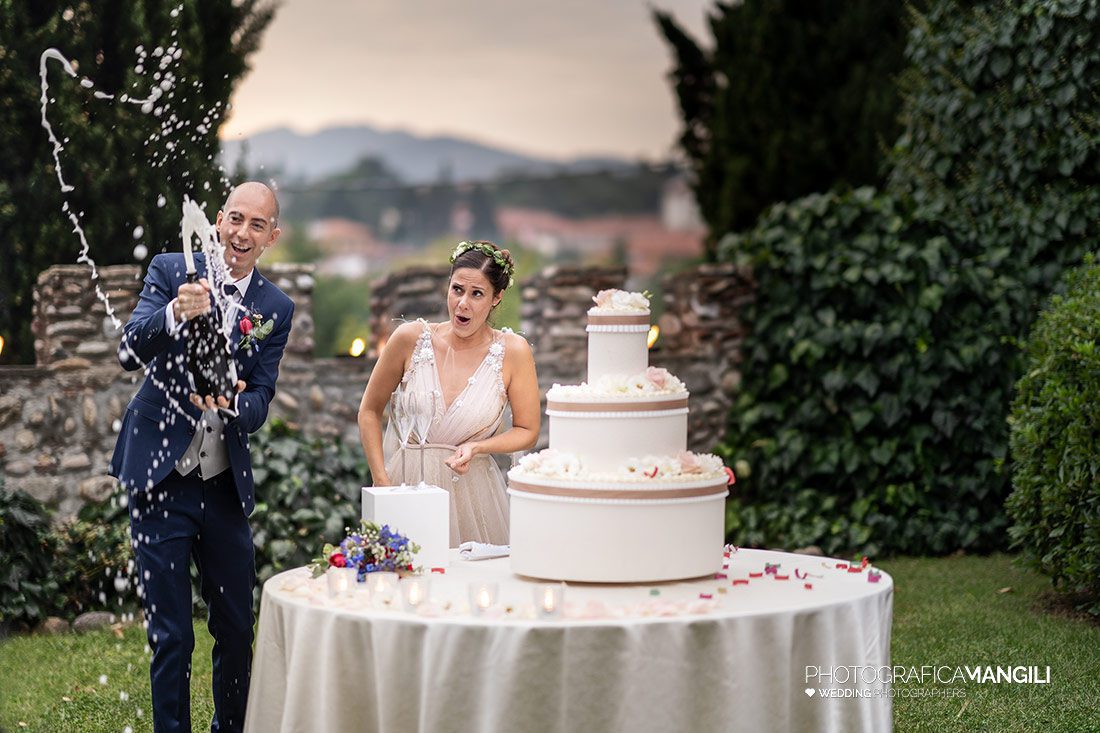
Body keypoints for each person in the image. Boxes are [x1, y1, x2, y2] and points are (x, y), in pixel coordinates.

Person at [109, 182, 293, 733]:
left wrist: (237, 404)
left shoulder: (274, 308)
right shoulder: (171, 269)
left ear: (272, 237)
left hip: (221, 485)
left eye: (256, 225)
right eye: (235, 219)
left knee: (237, 627)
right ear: (218, 219)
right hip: (160, 476)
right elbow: (127, 350)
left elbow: (262, 399)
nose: (241, 233)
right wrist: (171, 313)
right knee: (172, 634)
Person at [358, 240, 540, 546]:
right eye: (457, 289)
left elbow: (527, 430)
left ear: (497, 298)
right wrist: (382, 481)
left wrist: (479, 447)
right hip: (406, 489)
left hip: (474, 495)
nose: (462, 304)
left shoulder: (513, 352)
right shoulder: (409, 339)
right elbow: (369, 411)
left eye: (477, 294)